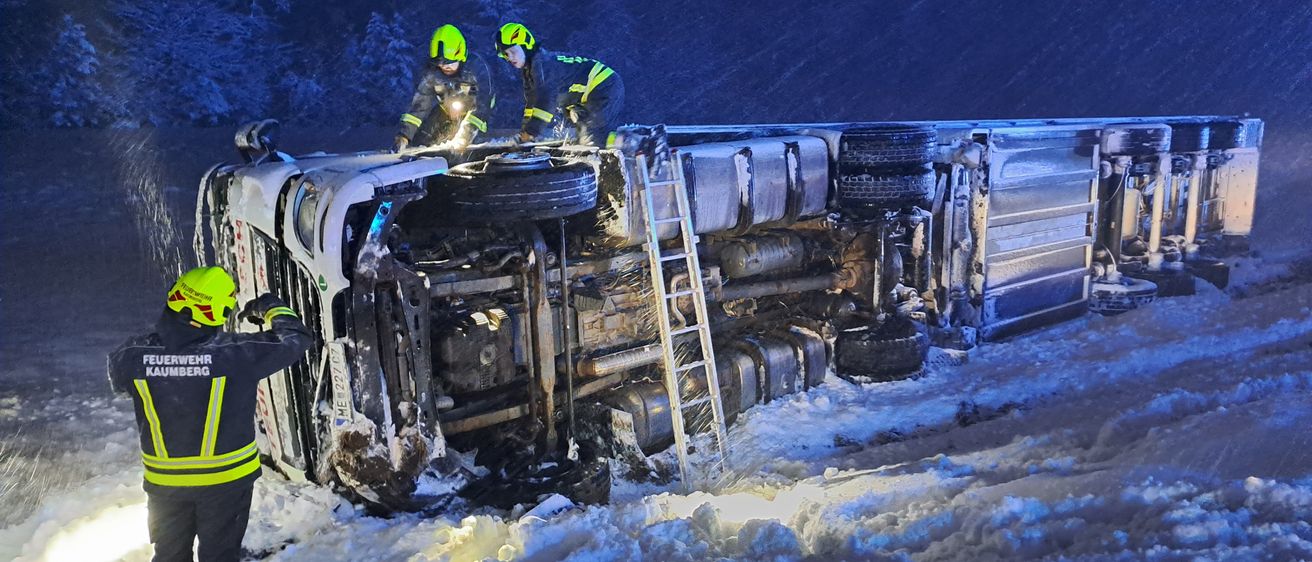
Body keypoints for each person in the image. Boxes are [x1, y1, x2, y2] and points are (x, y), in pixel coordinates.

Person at [107, 267, 312, 562]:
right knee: (220, 556)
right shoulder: (236, 354)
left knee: (169, 556)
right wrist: (269, 308)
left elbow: (119, 381)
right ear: (217, 312)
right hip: (226, 484)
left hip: (165, 485)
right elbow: (295, 338)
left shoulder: (131, 354)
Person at [495, 22, 625, 147]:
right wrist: (525, 133)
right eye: (506, 54)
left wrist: (530, 133)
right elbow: (532, 105)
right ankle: (624, 142)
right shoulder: (531, 72)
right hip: (593, 91)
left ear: (525, 44)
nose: (510, 57)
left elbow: (546, 101)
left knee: (592, 140)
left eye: (513, 51)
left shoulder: (542, 65)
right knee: (586, 137)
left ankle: (633, 141)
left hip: (603, 85)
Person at [394, 24, 495, 152]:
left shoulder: (477, 68)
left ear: (460, 54)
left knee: (468, 147)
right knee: (422, 138)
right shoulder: (433, 74)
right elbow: (419, 106)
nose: (444, 66)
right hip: (446, 112)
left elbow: (484, 104)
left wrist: (466, 135)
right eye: (440, 63)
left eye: (448, 62)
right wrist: (404, 135)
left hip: (477, 117)